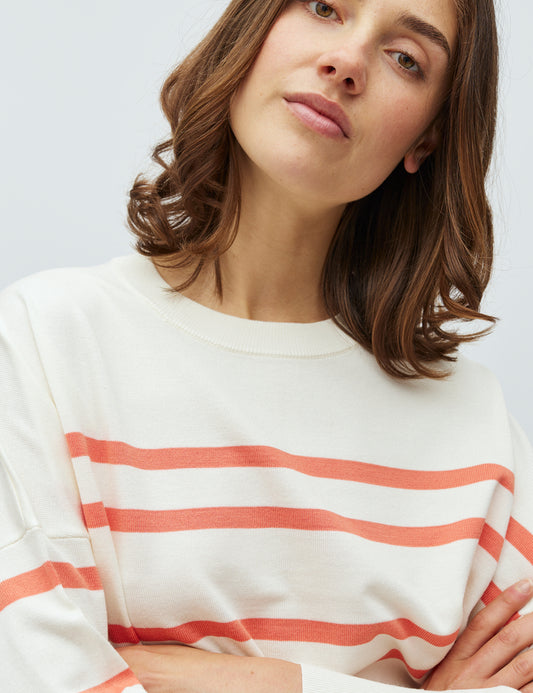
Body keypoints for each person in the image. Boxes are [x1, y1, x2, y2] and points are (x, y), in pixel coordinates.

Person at [0, 0, 532, 691]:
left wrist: (237, 679)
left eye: (406, 58)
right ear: (250, 30)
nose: (346, 63)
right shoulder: (44, 343)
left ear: (425, 140)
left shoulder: (476, 431)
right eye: (324, 7)